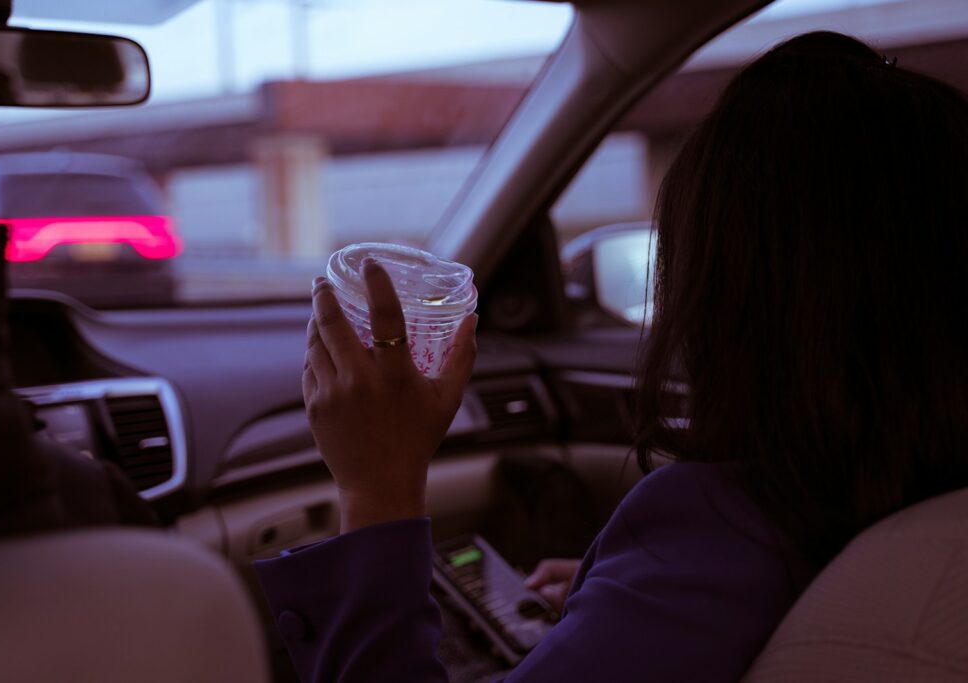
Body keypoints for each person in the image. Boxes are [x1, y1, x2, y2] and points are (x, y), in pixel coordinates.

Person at [254, 31, 968, 682]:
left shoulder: (721, 534)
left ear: (733, 298)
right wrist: (625, 604)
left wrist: (376, 487)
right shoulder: (899, 491)